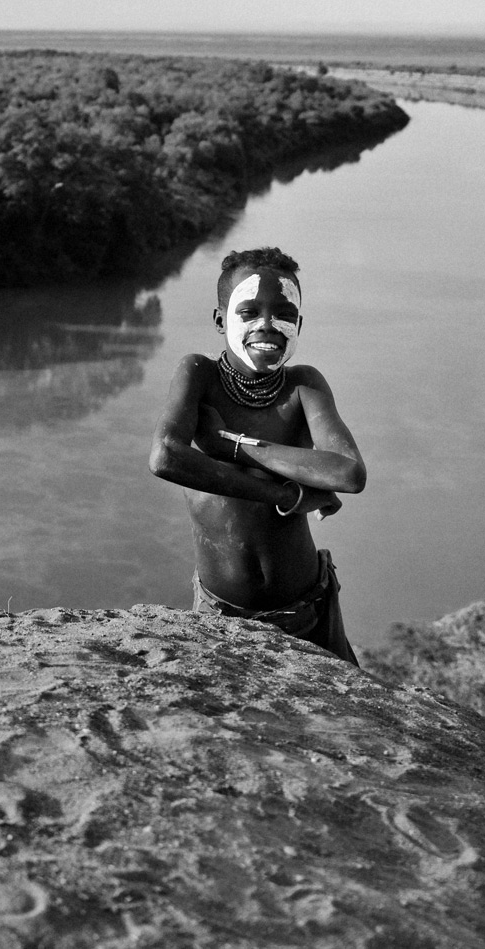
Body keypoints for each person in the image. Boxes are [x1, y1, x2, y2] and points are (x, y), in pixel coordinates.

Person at [147, 247, 366, 663]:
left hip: (308, 611)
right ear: (219, 320)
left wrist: (232, 445)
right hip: (221, 614)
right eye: (248, 312)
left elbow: (349, 473)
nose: (267, 325)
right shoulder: (200, 376)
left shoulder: (304, 387)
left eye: (283, 313)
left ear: (299, 324)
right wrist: (287, 496)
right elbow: (165, 458)